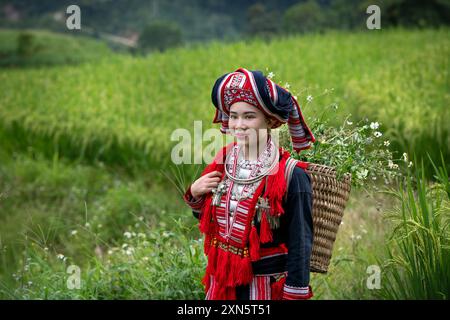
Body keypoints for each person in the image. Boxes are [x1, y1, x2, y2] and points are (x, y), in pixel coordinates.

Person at [183, 67, 316, 300]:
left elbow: (300, 242)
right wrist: (195, 194)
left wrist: (294, 294)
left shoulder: (291, 175)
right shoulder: (222, 162)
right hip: (221, 282)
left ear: (270, 121)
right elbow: (213, 220)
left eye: (249, 116)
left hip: (264, 286)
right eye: (234, 116)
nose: (239, 124)